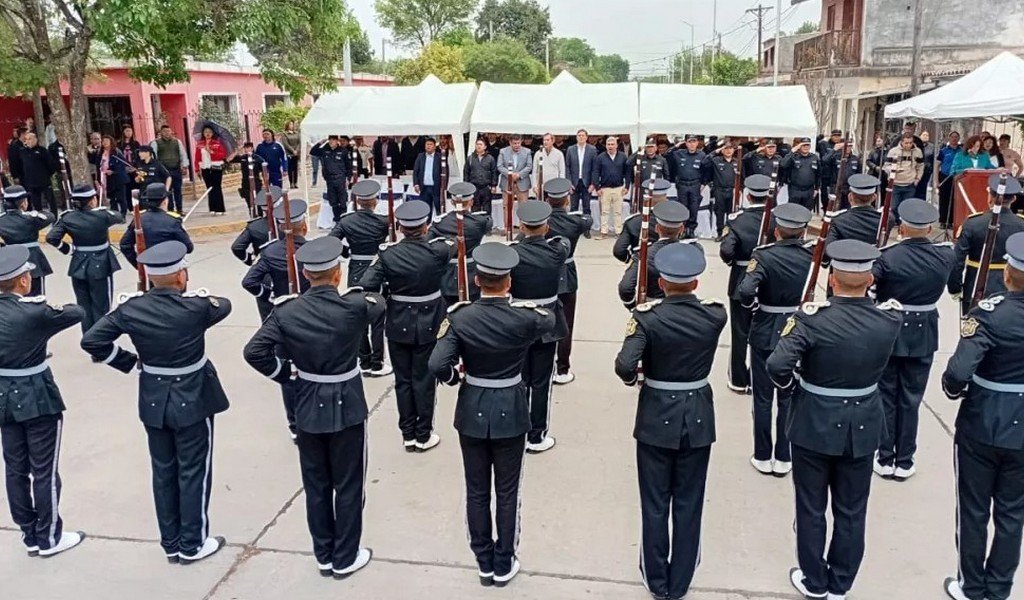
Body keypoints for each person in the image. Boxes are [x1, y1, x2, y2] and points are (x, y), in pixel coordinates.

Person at [767, 239, 903, 600]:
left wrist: (793, 386)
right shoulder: (890, 318)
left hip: (814, 420)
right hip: (863, 421)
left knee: (811, 506)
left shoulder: (811, 320)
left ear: (832, 279)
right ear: (870, 279)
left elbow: (777, 365)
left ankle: (815, 580)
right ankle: (841, 582)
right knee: (852, 509)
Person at [81, 240, 231, 564]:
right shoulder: (197, 308)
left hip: (153, 397)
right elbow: (225, 305)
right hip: (193, 396)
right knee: (193, 471)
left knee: (163, 471)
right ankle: (193, 543)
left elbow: (92, 340)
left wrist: (128, 361)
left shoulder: (130, 309)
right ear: (180, 275)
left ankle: (171, 542)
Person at [244, 236, 382, 580]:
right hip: (347, 403)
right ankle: (345, 556)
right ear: (338, 274)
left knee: (317, 484)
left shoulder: (286, 311)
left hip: (306, 401)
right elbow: (379, 303)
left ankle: (324, 554)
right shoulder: (355, 306)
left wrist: (285, 374)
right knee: (349, 485)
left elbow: (254, 351)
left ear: (305, 274)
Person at [429, 242, 555, 588]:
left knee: (476, 490)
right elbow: (549, 320)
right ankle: (504, 560)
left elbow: (437, 363)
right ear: (509, 281)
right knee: (508, 491)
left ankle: (483, 561)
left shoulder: (460, 317)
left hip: (472, 407)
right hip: (510, 409)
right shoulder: (525, 318)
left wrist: (454, 377)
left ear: (477, 280)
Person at [614, 242, 726, 600]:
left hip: (656, 414)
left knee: (655, 502)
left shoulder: (647, 318)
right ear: (696, 283)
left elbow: (625, 365)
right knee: (690, 501)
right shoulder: (715, 315)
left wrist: (638, 377)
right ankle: (680, 582)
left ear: (661, 283)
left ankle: (657, 578)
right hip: (697, 414)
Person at [941, 231, 1024, 600]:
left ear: (1007, 273)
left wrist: (952, 389)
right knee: (1012, 513)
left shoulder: (990, 314)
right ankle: (1000, 588)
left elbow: (958, 373)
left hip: (983, 421)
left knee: (973, 509)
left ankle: (971, 585)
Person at [0, 245, 87, 558]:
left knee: (15, 469)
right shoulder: (34, 312)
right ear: (23, 281)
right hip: (36, 396)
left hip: (3, 397)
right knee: (44, 469)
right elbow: (77, 312)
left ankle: (29, 533)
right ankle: (49, 536)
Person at [871, 199, 956, 481]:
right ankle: (905, 459)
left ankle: (885, 456)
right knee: (911, 398)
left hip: (890, 329)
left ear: (902, 228)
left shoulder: (887, 257)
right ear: (930, 229)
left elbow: (872, 291)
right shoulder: (945, 256)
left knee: (886, 394)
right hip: (924, 331)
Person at [359, 201, 453, 452]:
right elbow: (452, 242)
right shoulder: (438, 250)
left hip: (398, 321)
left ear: (400, 227)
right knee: (424, 379)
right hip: (430, 322)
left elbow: (367, 282)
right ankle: (423, 434)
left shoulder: (387, 254)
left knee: (403, 380)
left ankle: (408, 433)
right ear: (426, 226)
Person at [735, 203, 814, 476]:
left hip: (766, 327)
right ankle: (784, 456)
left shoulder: (763, 255)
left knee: (762, 397)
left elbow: (746, 291)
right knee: (789, 395)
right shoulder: (810, 255)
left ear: (777, 231)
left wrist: (756, 307)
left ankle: (762, 454)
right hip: (798, 329)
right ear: (802, 232)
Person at [242, 199, 312, 437]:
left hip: (283, 313)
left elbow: (249, 281)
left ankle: (294, 425)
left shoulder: (270, 251)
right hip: (309, 313)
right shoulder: (314, 251)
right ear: (304, 226)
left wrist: (269, 295)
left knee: (288, 371)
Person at [507, 200, 569, 452]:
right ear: (546, 226)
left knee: (519, 380)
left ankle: (517, 432)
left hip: (518, 321)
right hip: (547, 321)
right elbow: (563, 241)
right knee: (542, 382)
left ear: (521, 226)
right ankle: (536, 435)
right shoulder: (557, 250)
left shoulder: (512, 253)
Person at [330, 180, 392, 376]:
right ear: (375, 201)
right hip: (377, 269)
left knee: (358, 317)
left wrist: (346, 252)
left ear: (357, 201)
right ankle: (377, 362)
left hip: (356, 269)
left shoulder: (346, 221)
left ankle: (364, 360)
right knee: (378, 319)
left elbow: (331, 241)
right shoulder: (383, 221)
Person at [719, 174, 774, 394]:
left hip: (742, 277)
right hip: (769, 279)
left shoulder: (736, 220)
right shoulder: (776, 219)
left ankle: (739, 380)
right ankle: (760, 377)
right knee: (764, 331)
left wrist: (734, 262)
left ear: (748, 196)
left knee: (740, 333)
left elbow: (726, 250)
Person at [45, 184, 124, 332]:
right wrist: (99, 210)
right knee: (102, 306)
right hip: (100, 263)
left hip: (78, 264)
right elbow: (119, 217)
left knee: (84, 306)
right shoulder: (103, 216)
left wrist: (68, 249)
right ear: (92, 200)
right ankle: (100, 339)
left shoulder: (67, 217)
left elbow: (51, 237)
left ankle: (88, 337)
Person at [949, 175, 1024, 316]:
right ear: (1014, 199)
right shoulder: (1021, 224)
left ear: (990, 197)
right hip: (1013, 287)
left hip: (975, 285)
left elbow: (957, 260)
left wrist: (954, 287)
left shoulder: (973, 223)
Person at [542, 178, 592, 386]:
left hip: (544, 274)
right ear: (567, 200)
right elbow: (588, 220)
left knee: (543, 320)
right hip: (568, 275)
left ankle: (543, 366)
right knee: (566, 324)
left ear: (547, 199)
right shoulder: (575, 222)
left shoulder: (542, 221)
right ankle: (562, 368)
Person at [618, 202, 694, 309]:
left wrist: (632, 306)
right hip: (684, 307)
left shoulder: (644, 254)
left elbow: (625, 287)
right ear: (681, 229)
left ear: (657, 228)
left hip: (652, 307)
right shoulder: (692, 252)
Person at [428, 181, 492, 305]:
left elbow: (428, 240)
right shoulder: (480, 222)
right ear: (471, 202)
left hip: (447, 275)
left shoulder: (441, 222)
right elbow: (488, 224)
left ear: (452, 202)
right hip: (471, 274)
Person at [230, 188, 279, 321]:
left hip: (264, 274)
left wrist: (251, 260)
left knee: (268, 319)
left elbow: (237, 247)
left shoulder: (254, 226)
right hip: (285, 272)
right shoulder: (288, 224)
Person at [119, 183, 193, 269]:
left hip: (149, 268)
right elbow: (189, 248)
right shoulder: (173, 220)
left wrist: (139, 265)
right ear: (165, 201)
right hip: (172, 268)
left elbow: (125, 245)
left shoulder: (139, 219)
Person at [0, 185, 55, 296]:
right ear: (23, 203)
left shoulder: (2, 220)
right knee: (37, 297)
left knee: (13, 296)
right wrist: (31, 213)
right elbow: (50, 216)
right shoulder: (30, 218)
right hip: (33, 260)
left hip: (10, 262)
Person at [613, 178, 669, 264]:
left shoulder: (633, 222)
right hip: (669, 265)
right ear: (665, 197)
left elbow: (619, 251)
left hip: (643, 263)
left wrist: (632, 259)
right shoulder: (676, 219)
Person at [825, 174, 883, 247]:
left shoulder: (837, 219)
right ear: (874, 197)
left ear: (850, 197)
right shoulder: (883, 219)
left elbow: (829, 248)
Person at [666, 134, 706, 238]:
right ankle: (682, 229)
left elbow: (706, 170)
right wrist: (677, 145)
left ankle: (691, 230)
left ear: (697, 143)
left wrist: (703, 183)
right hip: (682, 185)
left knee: (694, 208)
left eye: (694, 142)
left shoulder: (702, 155)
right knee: (682, 208)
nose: (692, 144)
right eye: (689, 142)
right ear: (686, 143)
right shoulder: (679, 153)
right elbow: (667, 154)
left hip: (695, 185)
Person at [591, 136, 629, 239]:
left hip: (619, 188)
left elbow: (627, 173)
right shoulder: (600, 157)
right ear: (606, 146)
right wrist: (597, 188)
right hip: (605, 188)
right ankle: (604, 232)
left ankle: (618, 232)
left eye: (612, 144)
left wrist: (627, 186)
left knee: (618, 212)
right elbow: (595, 172)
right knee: (604, 212)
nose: (610, 146)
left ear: (616, 145)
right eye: (608, 144)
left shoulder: (623, 156)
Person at [884, 133, 925, 225]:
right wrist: (894, 170)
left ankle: (904, 224)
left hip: (910, 183)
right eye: (906, 143)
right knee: (894, 206)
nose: (908, 145)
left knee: (907, 207)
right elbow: (886, 166)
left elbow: (920, 166)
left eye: (910, 143)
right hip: (895, 183)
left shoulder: (917, 152)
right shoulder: (893, 151)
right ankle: (893, 223)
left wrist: (917, 179)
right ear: (901, 142)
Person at [309, 136, 352, 223]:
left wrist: (348, 178)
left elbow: (349, 166)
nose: (331, 142)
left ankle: (344, 220)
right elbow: (312, 151)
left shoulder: (343, 151)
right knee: (333, 200)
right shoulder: (325, 150)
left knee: (342, 200)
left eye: (333, 140)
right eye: (330, 140)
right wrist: (321, 142)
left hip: (340, 178)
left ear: (337, 141)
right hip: (330, 179)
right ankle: (336, 219)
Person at [702, 142, 739, 239]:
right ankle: (719, 233)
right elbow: (704, 162)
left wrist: (740, 190)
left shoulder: (737, 161)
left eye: (730, 148)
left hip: (732, 190)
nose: (728, 150)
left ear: (733, 150)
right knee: (719, 213)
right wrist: (716, 151)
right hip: (719, 190)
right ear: (722, 150)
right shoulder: (716, 160)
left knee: (732, 213)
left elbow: (742, 176)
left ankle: (731, 234)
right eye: (726, 148)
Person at [150, 125, 190, 213]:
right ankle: (170, 210)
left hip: (176, 169)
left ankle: (179, 209)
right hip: (164, 171)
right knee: (167, 191)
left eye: (168, 131)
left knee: (178, 190)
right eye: (165, 131)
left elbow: (183, 154)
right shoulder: (156, 143)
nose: (167, 133)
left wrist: (184, 166)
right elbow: (153, 157)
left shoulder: (177, 142)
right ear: (161, 133)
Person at [497, 134, 533, 228]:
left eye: (518, 143)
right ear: (510, 143)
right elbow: (499, 166)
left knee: (523, 208)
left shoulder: (527, 152)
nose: (517, 145)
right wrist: (510, 175)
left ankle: (523, 228)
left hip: (522, 183)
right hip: (507, 183)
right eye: (514, 143)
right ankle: (507, 228)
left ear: (521, 142)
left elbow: (529, 166)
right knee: (506, 206)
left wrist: (519, 175)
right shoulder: (503, 152)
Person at [15, 131, 56, 213]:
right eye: (26, 139)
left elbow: (51, 165)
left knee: (51, 201)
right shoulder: (22, 152)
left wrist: (46, 175)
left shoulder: (43, 150)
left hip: (44, 181)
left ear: (35, 139)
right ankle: (39, 218)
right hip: (31, 183)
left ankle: (54, 217)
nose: (28, 141)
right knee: (36, 205)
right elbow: (19, 166)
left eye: (30, 139)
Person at [91, 134, 130, 215]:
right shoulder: (100, 153)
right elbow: (98, 166)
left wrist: (113, 171)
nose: (105, 143)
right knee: (112, 199)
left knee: (121, 198)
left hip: (118, 178)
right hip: (107, 178)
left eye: (107, 141)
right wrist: (97, 179)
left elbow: (123, 164)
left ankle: (123, 214)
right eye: (103, 141)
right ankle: (114, 214)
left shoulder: (116, 152)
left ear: (111, 142)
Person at [194, 125, 228, 215]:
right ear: (203, 133)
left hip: (216, 167)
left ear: (212, 133)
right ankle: (212, 208)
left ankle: (220, 209)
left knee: (217, 187)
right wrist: (197, 169)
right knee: (209, 188)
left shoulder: (217, 143)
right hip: (205, 168)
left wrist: (211, 152)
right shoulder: (200, 144)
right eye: (206, 132)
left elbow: (222, 155)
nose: (207, 133)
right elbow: (197, 158)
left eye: (209, 132)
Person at [821, 137, 863, 210]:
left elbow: (859, 174)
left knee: (848, 209)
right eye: (846, 146)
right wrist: (834, 150)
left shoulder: (855, 159)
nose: (848, 148)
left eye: (850, 146)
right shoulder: (835, 157)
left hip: (849, 189)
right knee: (834, 209)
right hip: (836, 187)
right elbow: (824, 160)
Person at [780, 137, 821, 212]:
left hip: (809, 190)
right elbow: (783, 164)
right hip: (795, 189)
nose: (806, 147)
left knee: (806, 212)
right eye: (803, 145)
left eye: (807, 145)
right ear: (799, 146)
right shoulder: (794, 157)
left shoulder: (815, 157)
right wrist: (792, 151)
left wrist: (817, 188)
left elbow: (818, 174)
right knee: (793, 211)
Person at [565, 129, 598, 216]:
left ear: (586, 137)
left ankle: (586, 224)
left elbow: (595, 168)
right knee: (573, 207)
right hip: (574, 183)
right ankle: (573, 224)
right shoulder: (570, 149)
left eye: (583, 135)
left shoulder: (592, 149)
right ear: (576, 137)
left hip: (587, 183)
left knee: (586, 207)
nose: (581, 137)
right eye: (579, 135)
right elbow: (567, 167)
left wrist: (593, 184)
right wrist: (569, 183)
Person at [228, 142, 267, 216]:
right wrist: (237, 150)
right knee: (249, 201)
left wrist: (265, 183)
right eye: (245, 148)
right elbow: (229, 159)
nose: (246, 149)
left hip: (256, 182)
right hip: (246, 183)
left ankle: (260, 216)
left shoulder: (258, 158)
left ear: (252, 148)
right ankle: (252, 216)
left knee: (258, 201)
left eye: (248, 148)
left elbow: (264, 171)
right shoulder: (242, 158)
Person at [464, 139, 498, 214]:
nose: (479, 146)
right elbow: (466, 173)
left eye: (481, 144)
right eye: (477, 144)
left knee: (487, 208)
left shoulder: (490, 158)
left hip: (486, 187)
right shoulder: (470, 158)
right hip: (474, 187)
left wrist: (494, 185)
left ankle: (487, 221)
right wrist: (467, 186)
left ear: (485, 147)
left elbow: (494, 172)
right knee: (475, 208)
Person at [412, 137, 444, 217]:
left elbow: (445, 172)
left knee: (438, 209)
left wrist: (444, 186)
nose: (428, 146)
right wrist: (416, 184)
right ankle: (427, 224)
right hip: (424, 188)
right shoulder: (420, 156)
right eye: (427, 144)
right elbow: (415, 171)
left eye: (430, 144)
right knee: (425, 210)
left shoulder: (440, 157)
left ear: (435, 146)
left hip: (436, 188)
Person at [937, 131, 962, 228]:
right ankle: (943, 221)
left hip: (957, 177)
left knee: (955, 199)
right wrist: (936, 180)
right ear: (949, 138)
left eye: (956, 137)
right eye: (952, 137)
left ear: (959, 139)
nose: (954, 139)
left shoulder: (962, 151)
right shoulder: (943, 151)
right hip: (945, 176)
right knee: (944, 199)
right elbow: (937, 165)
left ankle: (951, 222)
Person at [532, 133, 566, 197]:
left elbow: (562, 172)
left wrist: (561, 186)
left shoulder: (559, 154)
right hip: (541, 186)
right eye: (544, 140)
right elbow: (534, 171)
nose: (545, 142)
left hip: (554, 186)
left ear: (553, 141)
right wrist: (534, 186)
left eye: (547, 140)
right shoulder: (538, 153)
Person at [280, 121, 301, 189]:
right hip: (289, 153)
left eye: (292, 124)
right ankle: (291, 183)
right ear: (287, 125)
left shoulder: (296, 133)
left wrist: (297, 150)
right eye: (290, 124)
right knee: (290, 168)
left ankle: (295, 182)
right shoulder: (284, 134)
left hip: (296, 153)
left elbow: (299, 142)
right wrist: (292, 150)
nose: (291, 125)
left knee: (295, 168)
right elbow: (286, 144)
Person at [916, 129, 935, 201]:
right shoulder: (916, 145)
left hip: (927, 171)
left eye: (927, 135)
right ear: (920, 136)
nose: (925, 136)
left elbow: (934, 159)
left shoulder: (932, 147)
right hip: (916, 171)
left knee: (923, 189)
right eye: (924, 135)